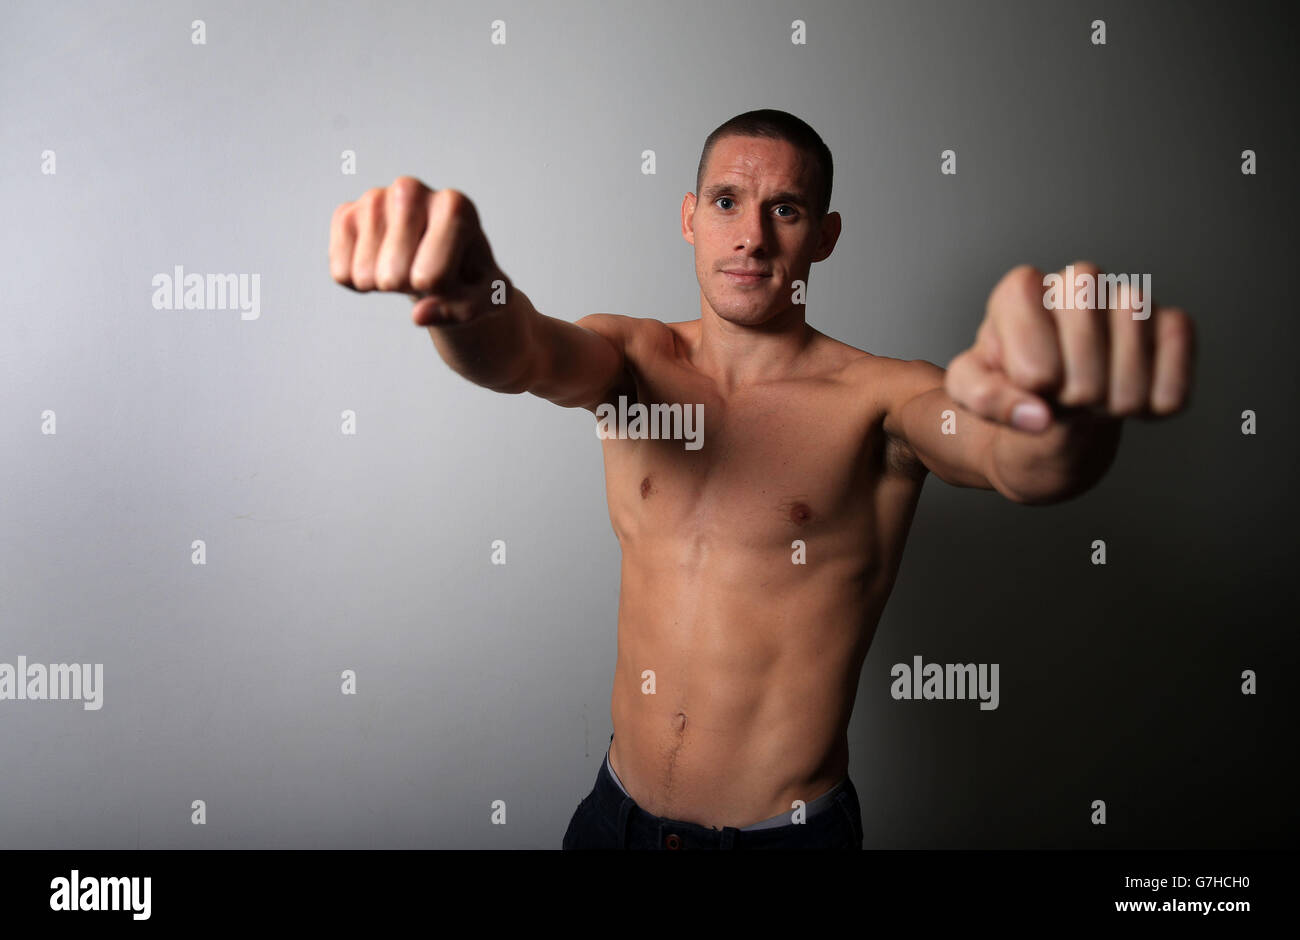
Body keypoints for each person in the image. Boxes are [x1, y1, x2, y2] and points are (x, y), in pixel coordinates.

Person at [328, 109, 1195, 849]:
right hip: (612, 817)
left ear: (824, 236)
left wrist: (1067, 415)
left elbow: (1011, 459)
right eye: (727, 201)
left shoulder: (881, 399)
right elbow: (520, 353)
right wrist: (471, 289)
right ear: (689, 217)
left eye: (785, 209)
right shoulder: (634, 361)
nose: (751, 235)